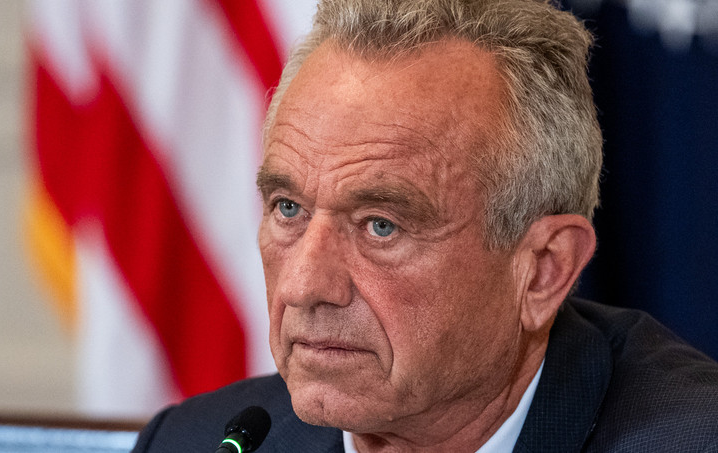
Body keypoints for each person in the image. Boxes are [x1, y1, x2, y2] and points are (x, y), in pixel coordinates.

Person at [131, 0, 718, 451]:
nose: (304, 286)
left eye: (381, 226)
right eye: (289, 208)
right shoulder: (194, 442)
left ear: (543, 270)